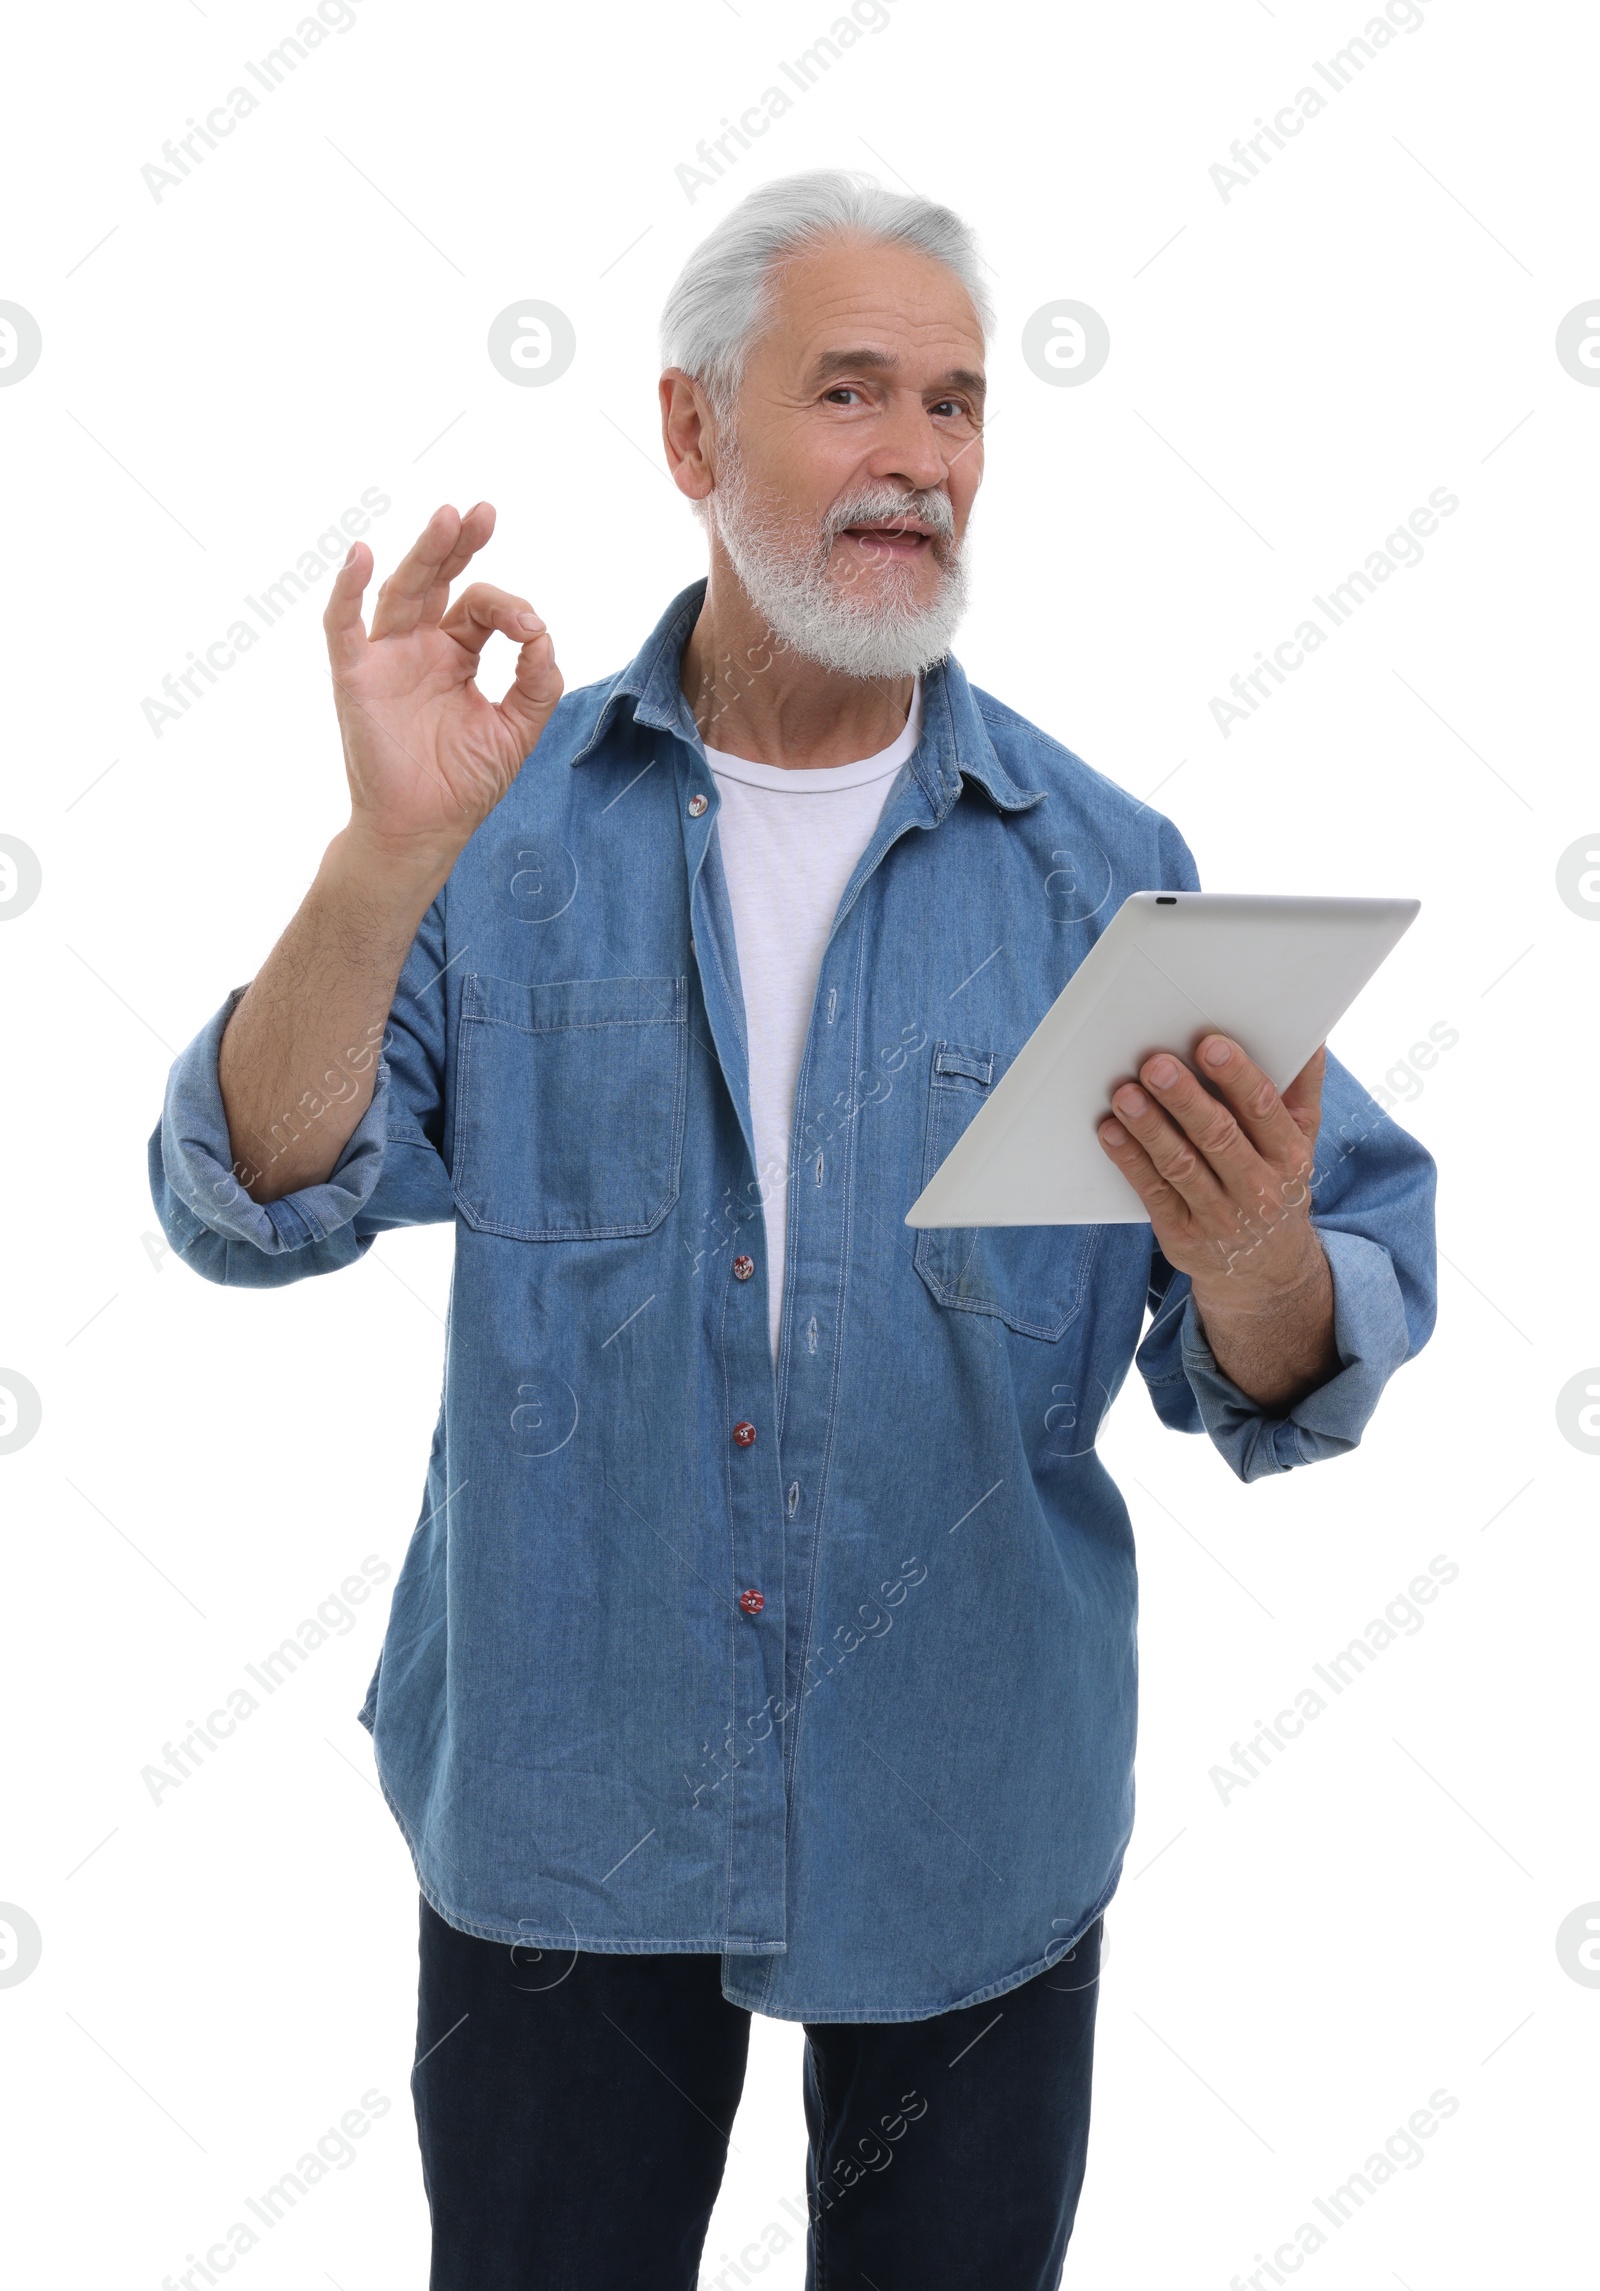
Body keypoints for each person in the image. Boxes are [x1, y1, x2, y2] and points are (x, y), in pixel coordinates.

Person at [148, 169, 1436, 2291]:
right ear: (688, 436)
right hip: (564, 1803)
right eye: (850, 394)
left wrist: (1248, 1258)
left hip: (968, 1820)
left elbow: (1293, 1346)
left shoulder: (1100, 869)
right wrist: (378, 868)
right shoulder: (504, 833)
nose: (917, 460)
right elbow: (252, 1198)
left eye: (951, 407)